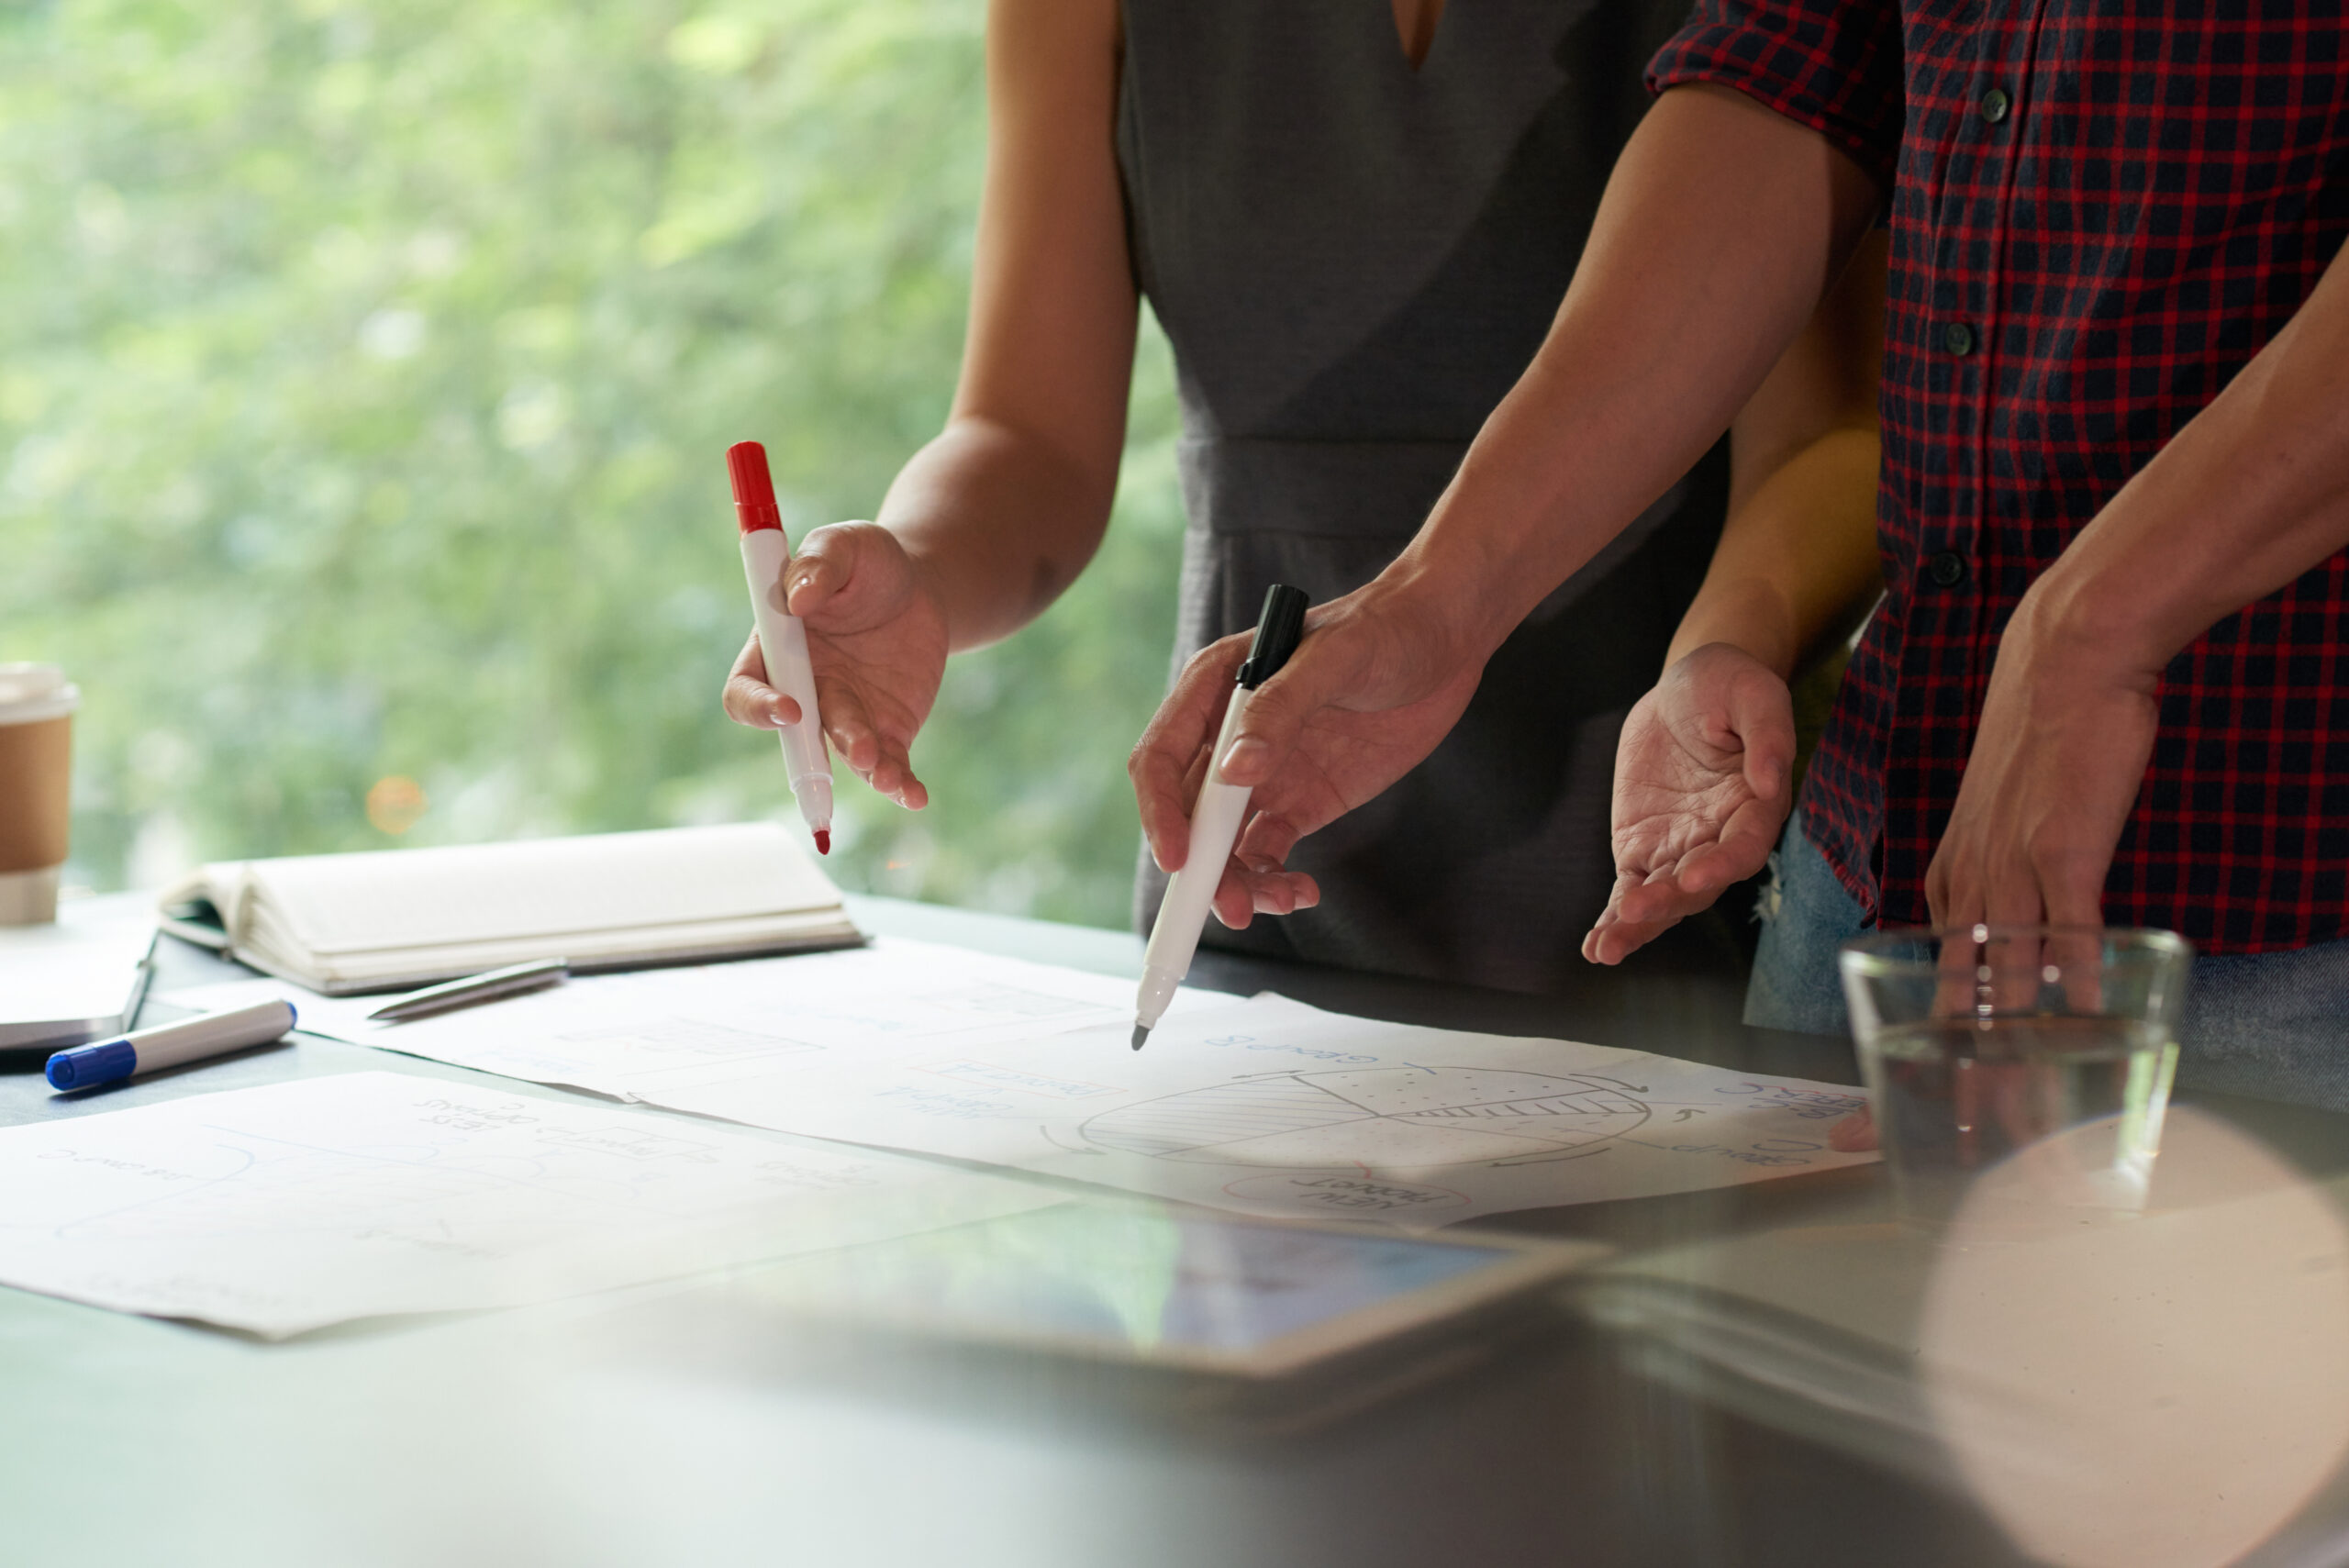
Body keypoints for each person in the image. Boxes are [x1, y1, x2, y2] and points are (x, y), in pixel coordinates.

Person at [1129, 2, 2349, 1109]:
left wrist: (2090, 630)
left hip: (2288, 917)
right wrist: (1433, 603)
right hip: (1861, 888)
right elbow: (1788, 80)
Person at [723, 0, 1884, 994]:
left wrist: (1725, 646)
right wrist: (919, 570)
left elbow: (1830, 430)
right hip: (1247, 824)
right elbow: (1027, 435)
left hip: (1664, 818)